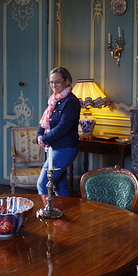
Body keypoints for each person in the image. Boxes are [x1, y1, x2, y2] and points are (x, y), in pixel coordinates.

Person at [36, 67, 81, 197]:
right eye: (51, 82)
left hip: (65, 148)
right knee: (59, 186)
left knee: (43, 183)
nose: (53, 85)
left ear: (67, 81)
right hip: (53, 147)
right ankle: (63, 215)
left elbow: (64, 127)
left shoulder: (71, 101)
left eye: (57, 82)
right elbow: (45, 121)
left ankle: (45, 213)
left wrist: (44, 139)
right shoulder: (53, 100)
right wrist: (39, 135)